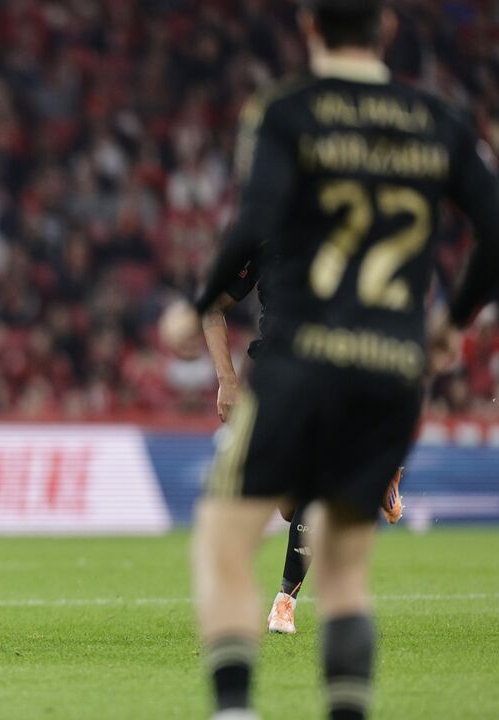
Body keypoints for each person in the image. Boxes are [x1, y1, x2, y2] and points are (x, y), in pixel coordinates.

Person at [159, 0, 499, 717]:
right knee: (346, 569)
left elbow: (253, 219)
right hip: (392, 367)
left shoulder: (286, 111)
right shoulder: (436, 119)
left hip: (302, 359)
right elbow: (493, 228)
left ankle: (234, 709)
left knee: (222, 540)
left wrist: (193, 310)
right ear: (389, 29)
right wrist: (450, 325)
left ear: (310, 28)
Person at [200, 249, 404, 636]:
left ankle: (284, 602)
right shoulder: (264, 229)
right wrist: (226, 379)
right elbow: (212, 306)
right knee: (291, 506)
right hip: (272, 376)